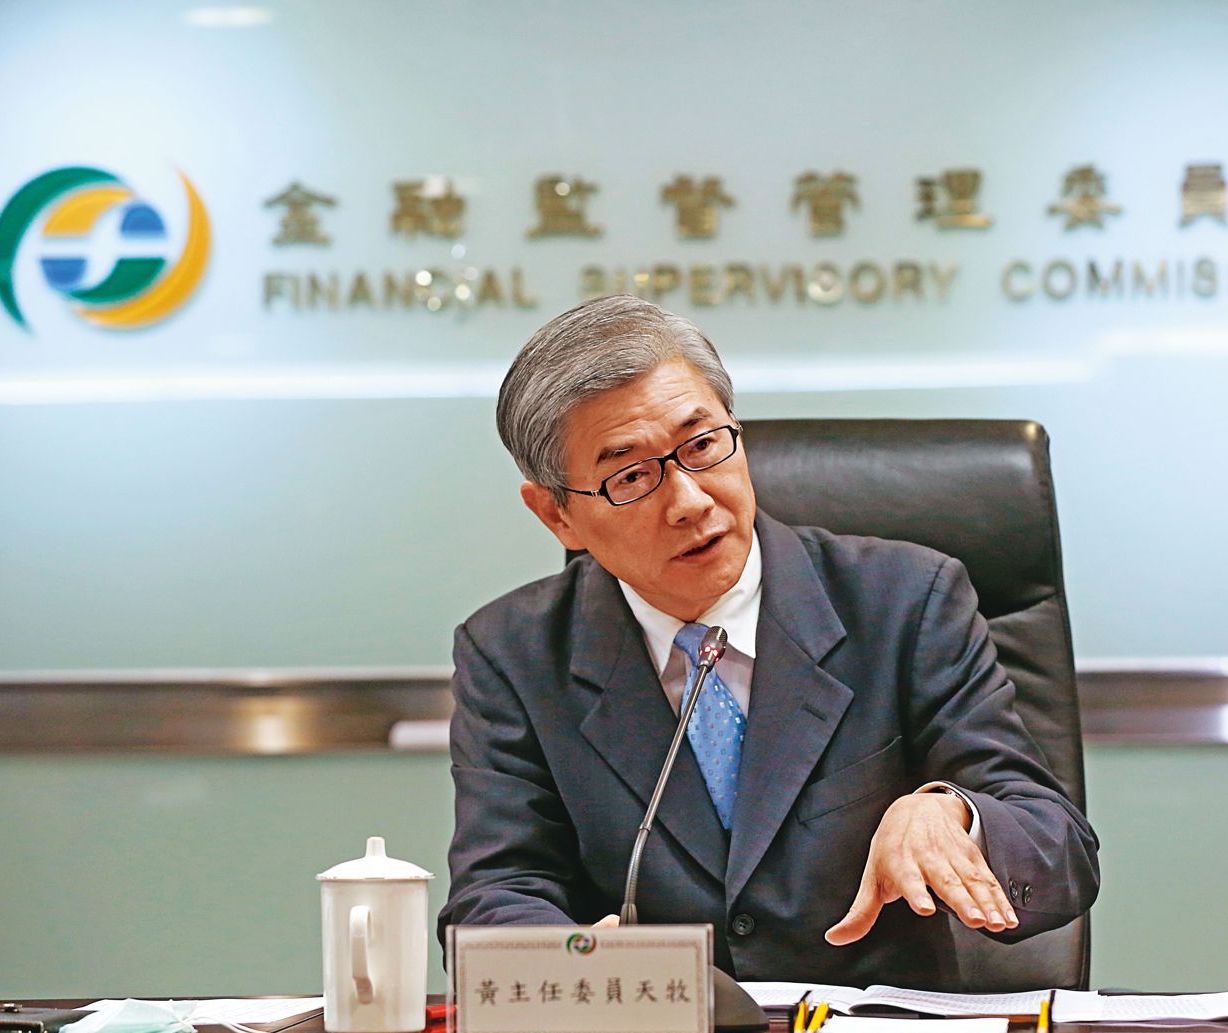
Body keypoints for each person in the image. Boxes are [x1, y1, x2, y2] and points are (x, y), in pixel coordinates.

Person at [439, 294, 1099, 990]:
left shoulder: (904, 601)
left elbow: (1058, 845)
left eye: (702, 446)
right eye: (630, 476)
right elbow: (495, 895)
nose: (690, 501)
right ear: (556, 514)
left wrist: (956, 815)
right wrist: (573, 963)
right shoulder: (511, 655)